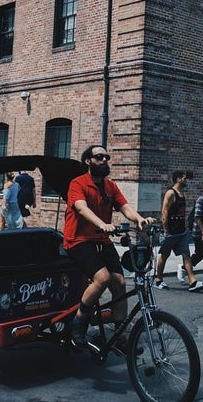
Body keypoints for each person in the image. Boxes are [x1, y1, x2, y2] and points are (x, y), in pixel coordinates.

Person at [63, 145, 154, 346]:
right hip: (78, 240)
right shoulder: (78, 183)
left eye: (107, 157)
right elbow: (81, 207)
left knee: (120, 283)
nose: (104, 160)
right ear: (88, 161)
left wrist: (139, 219)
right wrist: (102, 224)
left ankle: (119, 334)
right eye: (99, 157)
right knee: (102, 278)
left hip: (102, 241)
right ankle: (79, 319)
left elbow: (124, 207)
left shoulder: (110, 186)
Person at [155, 171, 203, 292]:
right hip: (171, 231)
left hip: (181, 231)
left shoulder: (182, 193)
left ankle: (192, 281)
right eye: (184, 178)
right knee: (165, 255)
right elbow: (164, 212)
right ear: (178, 179)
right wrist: (166, 230)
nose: (186, 180)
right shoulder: (170, 193)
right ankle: (158, 280)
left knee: (186, 255)